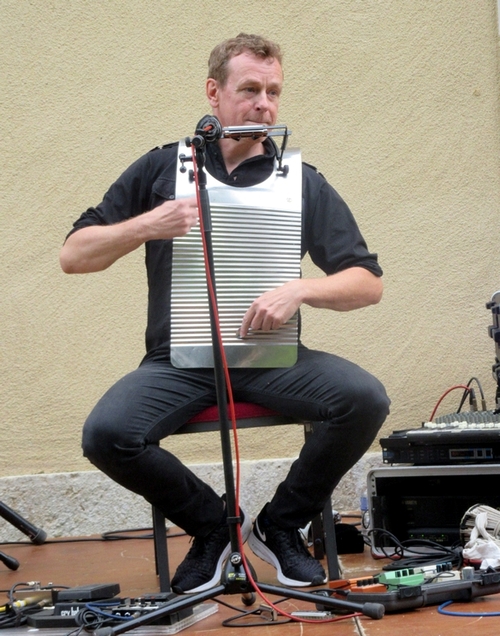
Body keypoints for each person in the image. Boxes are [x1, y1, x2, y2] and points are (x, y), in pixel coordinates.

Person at [60, 33, 390, 594]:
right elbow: (73, 255)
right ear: (214, 93)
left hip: (272, 356)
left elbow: (368, 283)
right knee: (107, 433)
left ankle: (279, 527)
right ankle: (213, 527)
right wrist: (148, 223)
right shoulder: (165, 168)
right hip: (177, 361)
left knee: (364, 400)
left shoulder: (301, 182)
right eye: (250, 90)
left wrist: (300, 291)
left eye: (274, 92)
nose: (264, 103)